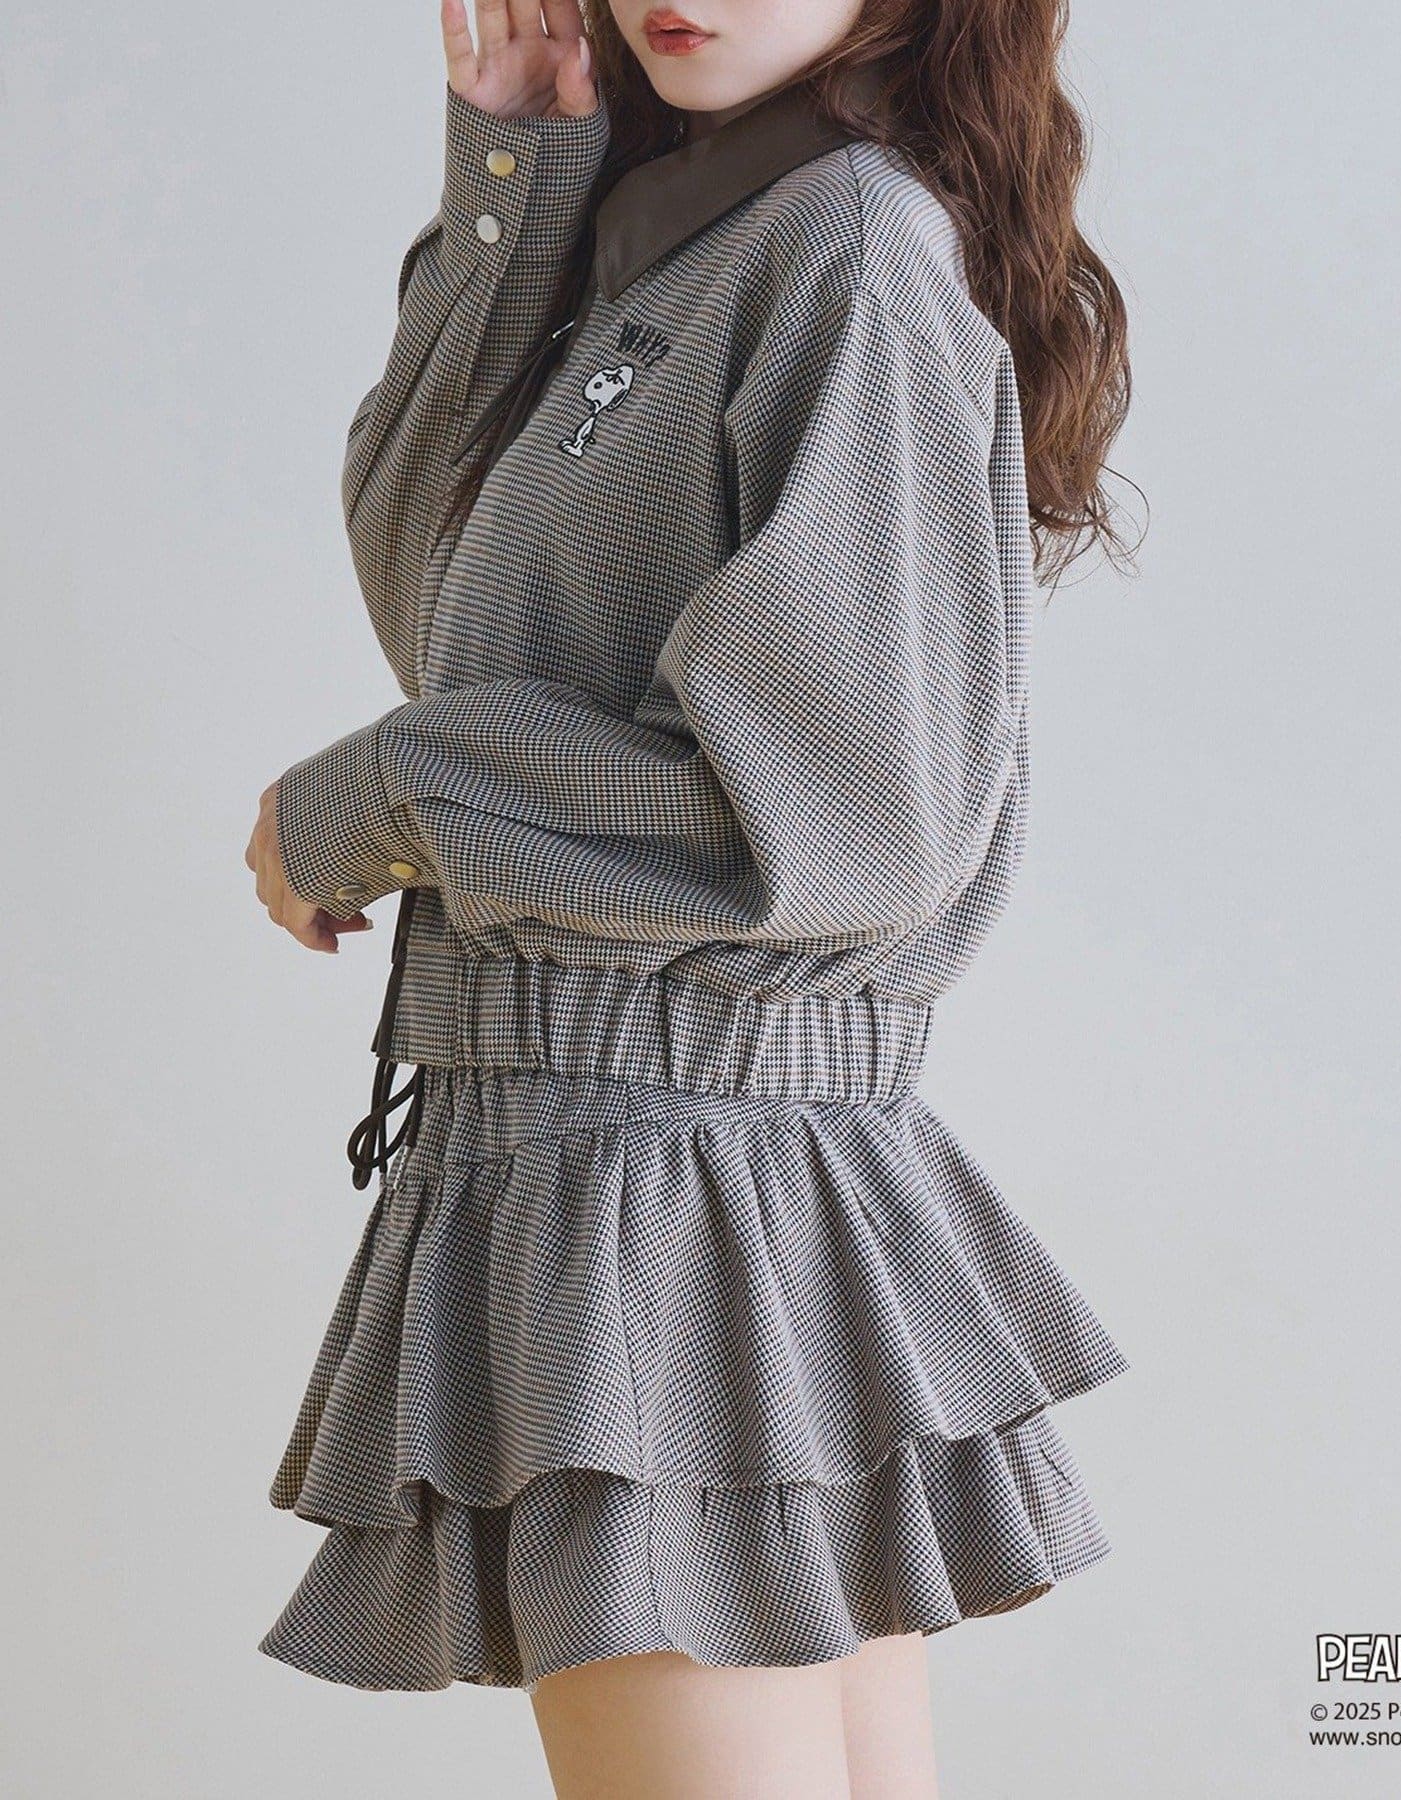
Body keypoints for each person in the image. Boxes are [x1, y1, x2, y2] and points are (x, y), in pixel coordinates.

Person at [243, 0, 1135, 1793]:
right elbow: (439, 588)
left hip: (668, 1195)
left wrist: (388, 794)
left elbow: (833, 823)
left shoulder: (849, 244)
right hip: (670, 1173)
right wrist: (518, 175)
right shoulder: (699, 225)